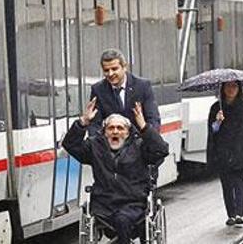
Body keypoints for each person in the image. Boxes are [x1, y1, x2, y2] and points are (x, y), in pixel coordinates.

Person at [63, 98, 169, 244]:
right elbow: (70, 145)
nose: (115, 132)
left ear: (127, 132)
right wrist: (83, 122)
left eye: (120, 128)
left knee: (122, 219)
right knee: (118, 219)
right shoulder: (95, 146)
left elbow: (161, 150)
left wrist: (144, 127)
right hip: (103, 206)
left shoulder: (139, 146)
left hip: (133, 204)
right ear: (104, 131)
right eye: (111, 128)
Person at [207, 81, 243, 227]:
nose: (231, 90)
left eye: (234, 87)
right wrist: (218, 122)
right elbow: (212, 131)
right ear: (223, 89)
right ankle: (231, 214)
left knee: (238, 180)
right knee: (226, 183)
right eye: (228, 87)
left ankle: (239, 213)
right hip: (223, 151)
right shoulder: (216, 108)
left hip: (240, 151)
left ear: (238, 89)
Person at [89, 49, 160, 136]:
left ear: (124, 67)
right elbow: (94, 124)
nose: (110, 74)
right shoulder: (98, 90)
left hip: (139, 144)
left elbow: (153, 119)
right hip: (112, 145)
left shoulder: (143, 86)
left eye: (114, 69)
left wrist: (150, 140)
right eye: (106, 70)